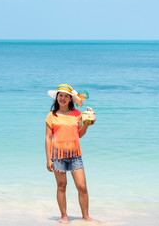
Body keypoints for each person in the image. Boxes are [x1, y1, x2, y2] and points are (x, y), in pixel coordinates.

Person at [45, 84, 95, 224]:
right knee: (61, 186)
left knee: (82, 187)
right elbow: (48, 138)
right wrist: (49, 159)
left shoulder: (77, 114)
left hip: (75, 155)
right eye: (60, 95)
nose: (62, 98)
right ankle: (64, 216)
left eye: (66, 96)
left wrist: (85, 125)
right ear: (57, 98)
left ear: (70, 99)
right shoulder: (52, 115)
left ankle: (86, 217)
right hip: (58, 155)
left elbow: (80, 134)